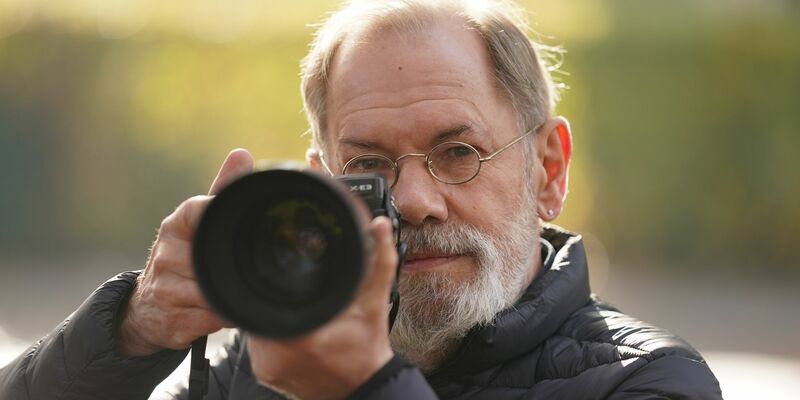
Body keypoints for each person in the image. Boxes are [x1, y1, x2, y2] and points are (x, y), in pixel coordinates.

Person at [0, 0, 723, 399]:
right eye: (369, 166)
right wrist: (128, 336)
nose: (414, 200)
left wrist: (363, 389)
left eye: (458, 153)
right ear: (325, 184)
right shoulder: (258, 366)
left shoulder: (649, 382)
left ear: (549, 169)